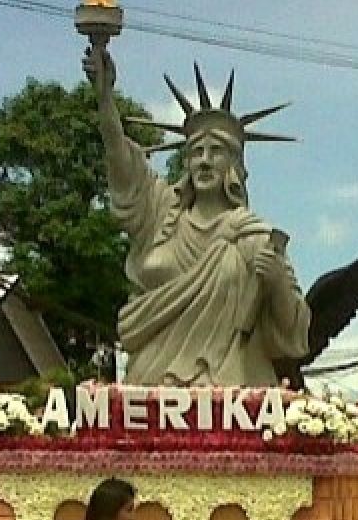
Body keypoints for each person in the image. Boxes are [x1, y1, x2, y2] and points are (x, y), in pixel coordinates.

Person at [84, 44, 311, 386]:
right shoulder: (160, 211)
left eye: (216, 151)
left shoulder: (254, 237)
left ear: (234, 166)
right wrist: (104, 100)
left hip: (229, 392)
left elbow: (293, 335)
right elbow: (122, 162)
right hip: (150, 387)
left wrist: (276, 281)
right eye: (196, 152)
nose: (204, 161)